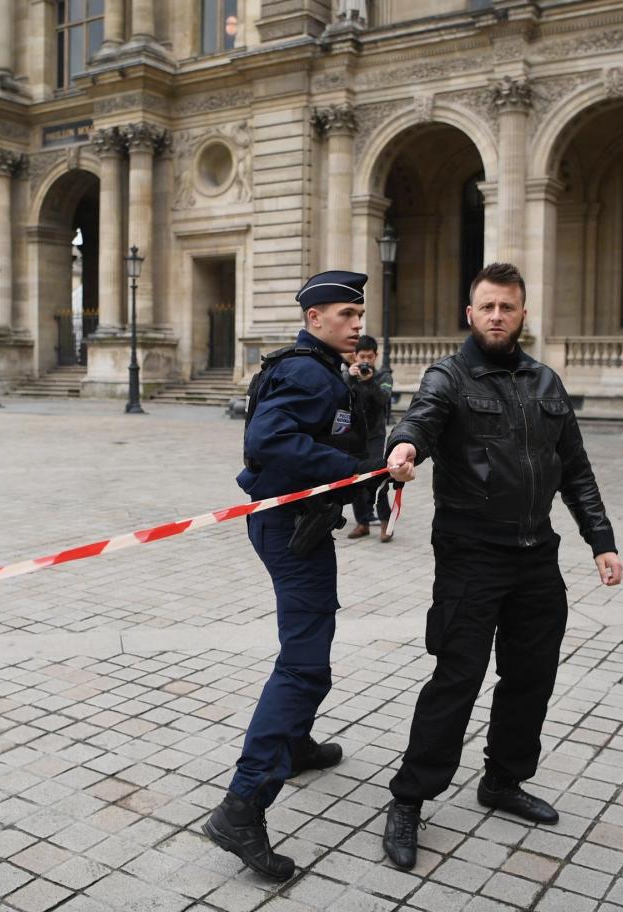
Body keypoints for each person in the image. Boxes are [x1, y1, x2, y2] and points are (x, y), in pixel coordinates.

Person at [379, 263, 623, 870]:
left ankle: (503, 780)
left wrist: (601, 540)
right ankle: (409, 798)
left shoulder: (546, 382)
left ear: (522, 314)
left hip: (536, 556)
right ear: (470, 313)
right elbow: (421, 419)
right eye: (486, 307)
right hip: (471, 553)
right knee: (457, 677)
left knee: (531, 675)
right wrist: (403, 447)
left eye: (506, 307)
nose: (496, 316)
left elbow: (576, 470)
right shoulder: (449, 376)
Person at [202, 270, 382, 883]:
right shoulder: (308, 372)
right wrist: (353, 471)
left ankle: (296, 744)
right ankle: (242, 807)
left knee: (312, 640)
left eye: (358, 314)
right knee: (304, 666)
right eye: (345, 315)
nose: (356, 324)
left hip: (293, 522)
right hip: (289, 527)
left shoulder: (319, 367)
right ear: (314, 319)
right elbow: (268, 440)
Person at [344, 335, 396, 542]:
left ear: (376, 356)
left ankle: (385, 522)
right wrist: (349, 378)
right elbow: (340, 399)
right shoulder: (349, 376)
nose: (366, 361)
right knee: (355, 476)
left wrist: (370, 380)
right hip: (353, 435)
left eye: (370, 357)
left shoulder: (384, 377)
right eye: (362, 357)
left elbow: (383, 399)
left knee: (377, 476)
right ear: (355, 356)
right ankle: (362, 522)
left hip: (375, 435)